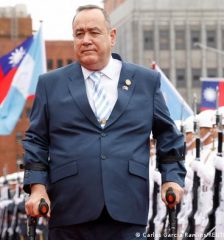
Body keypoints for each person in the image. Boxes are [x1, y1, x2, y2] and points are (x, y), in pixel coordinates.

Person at [23, 5, 186, 240]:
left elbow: (168, 135)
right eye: (79, 34)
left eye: (94, 32)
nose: (86, 40)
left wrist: (171, 178)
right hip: (70, 210)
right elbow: (36, 140)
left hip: (127, 208)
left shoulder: (145, 82)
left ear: (112, 36)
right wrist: (37, 188)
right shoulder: (51, 84)